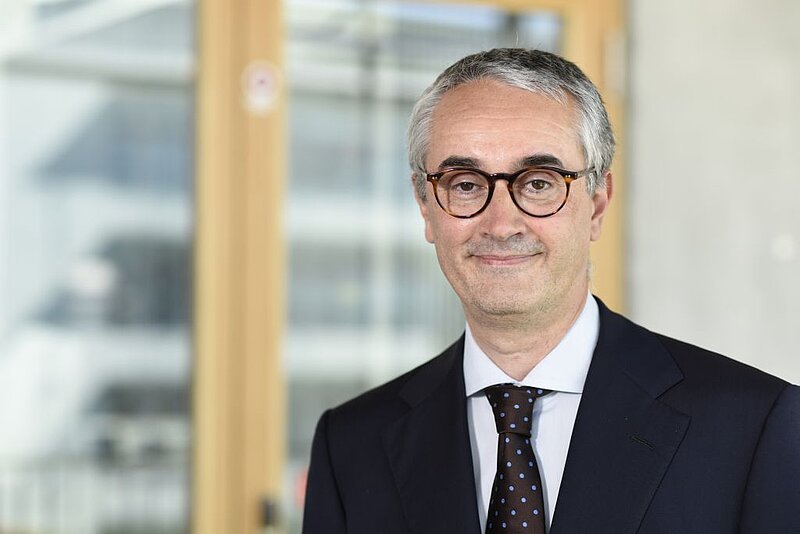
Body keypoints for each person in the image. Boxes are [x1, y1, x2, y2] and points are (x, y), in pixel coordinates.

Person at [301, 48, 800, 534]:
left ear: (597, 203)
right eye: (466, 184)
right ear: (425, 206)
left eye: (539, 183)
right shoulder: (350, 447)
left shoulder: (754, 426)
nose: (501, 224)